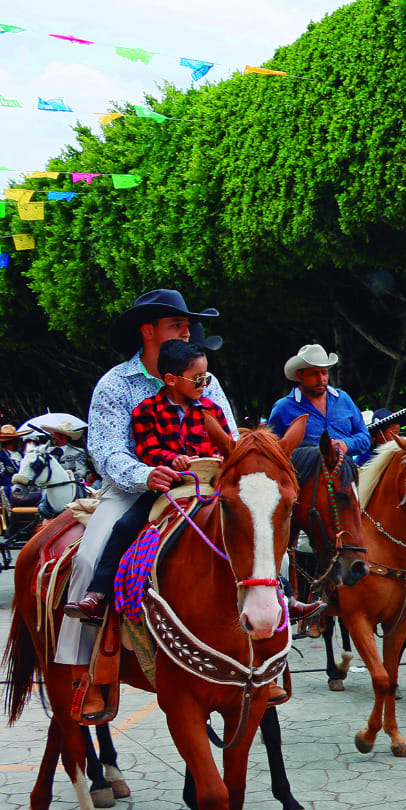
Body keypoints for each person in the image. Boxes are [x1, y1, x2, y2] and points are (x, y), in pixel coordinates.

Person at [56, 290, 309, 720]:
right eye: (178, 324)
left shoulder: (207, 382)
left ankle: (268, 662)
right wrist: (146, 474)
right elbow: (105, 450)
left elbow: (230, 436)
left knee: (265, 545)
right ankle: (89, 673)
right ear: (149, 330)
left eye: (187, 325)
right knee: (89, 557)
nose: (187, 330)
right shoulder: (116, 384)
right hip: (138, 489)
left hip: (206, 485)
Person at [268, 344, 372, 463]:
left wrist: (346, 444)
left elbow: (365, 437)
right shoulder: (283, 408)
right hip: (304, 477)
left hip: (346, 475)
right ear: (299, 375)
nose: (321, 379)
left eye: (324, 372)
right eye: (313, 373)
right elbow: (272, 451)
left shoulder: (343, 399)